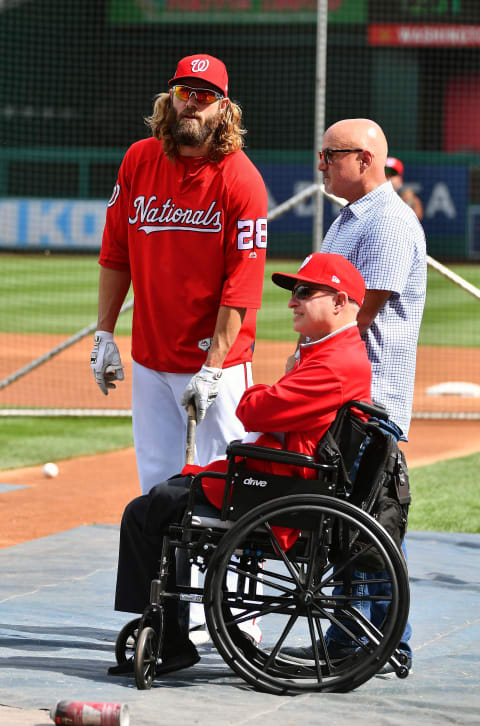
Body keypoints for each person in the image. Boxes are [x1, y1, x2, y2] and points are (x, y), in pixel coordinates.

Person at [107, 252, 373, 677]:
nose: (292, 302)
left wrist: (263, 392)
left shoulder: (334, 363)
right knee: (157, 502)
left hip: (276, 489)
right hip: (275, 481)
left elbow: (253, 410)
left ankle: (167, 633)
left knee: (149, 508)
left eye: (305, 292)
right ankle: (166, 628)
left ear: (340, 302)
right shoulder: (330, 353)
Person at [90, 54, 268, 496]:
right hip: (150, 358)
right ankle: (162, 569)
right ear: (170, 99)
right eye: (185, 93)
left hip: (218, 364)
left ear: (224, 109)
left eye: (205, 96)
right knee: (154, 484)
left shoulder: (241, 180)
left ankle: (219, 570)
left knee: (224, 484)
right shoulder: (138, 160)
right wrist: (104, 334)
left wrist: (212, 368)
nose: (193, 103)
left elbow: (243, 284)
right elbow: (116, 253)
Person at [316, 118, 426, 675]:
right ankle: (357, 636)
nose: (321, 164)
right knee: (355, 521)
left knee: (368, 522)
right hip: (345, 395)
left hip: (369, 399)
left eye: (330, 154)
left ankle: (379, 641)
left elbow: (358, 315)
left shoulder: (387, 222)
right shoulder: (349, 219)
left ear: (363, 159)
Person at [385, 156, 424, 221]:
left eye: (392, 173)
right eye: (385, 172)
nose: (388, 176)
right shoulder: (370, 194)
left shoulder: (407, 197)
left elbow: (418, 216)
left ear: (400, 179)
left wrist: (408, 204)